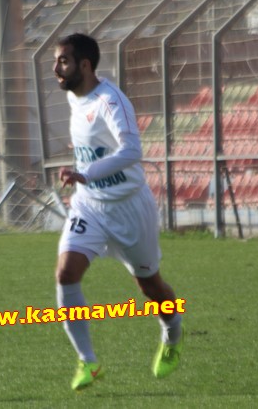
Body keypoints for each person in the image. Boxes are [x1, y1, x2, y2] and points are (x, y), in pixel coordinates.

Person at [52, 33, 183, 391]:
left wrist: (87, 171)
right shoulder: (72, 98)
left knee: (150, 286)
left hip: (128, 208)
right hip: (89, 204)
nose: (55, 68)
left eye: (63, 60)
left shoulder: (112, 101)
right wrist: (84, 175)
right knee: (66, 273)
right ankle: (88, 362)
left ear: (85, 65)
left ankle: (172, 332)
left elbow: (131, 151)